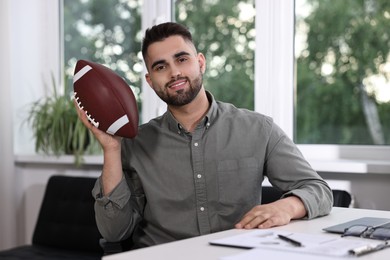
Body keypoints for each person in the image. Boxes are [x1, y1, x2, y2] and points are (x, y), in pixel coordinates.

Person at [76, 22, 333, 249]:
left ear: (200, 62)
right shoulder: (135, 144)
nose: (174, 72)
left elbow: (318, 190)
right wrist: (111, 149)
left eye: (182, 59)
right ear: (150, 80)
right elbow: (113, 232)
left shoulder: (258, 129)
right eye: (161, 66)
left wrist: (285, 207)